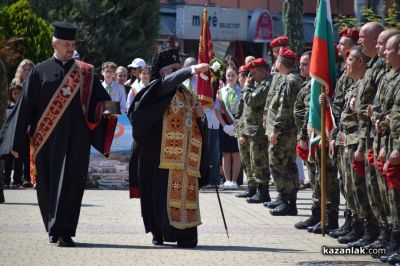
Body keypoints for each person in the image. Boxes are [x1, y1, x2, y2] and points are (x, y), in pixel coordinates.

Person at [0, 22, 117, 247]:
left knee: (72, 185)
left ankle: (65, 230)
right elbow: (24, 108)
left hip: (77, 140)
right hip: (47, 141)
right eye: (66, 44)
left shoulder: (85, 72)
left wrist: (113, 114)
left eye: (73, 44)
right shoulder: (38, 72)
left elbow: (102, 101)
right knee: (47, 185)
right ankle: (52, 227)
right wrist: (14, 142)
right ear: (55, 43)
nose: (70, 48)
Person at [128, 48, 209, 248]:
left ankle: (186, 236)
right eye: (174, 69)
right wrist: (192, 70)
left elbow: (196, 127)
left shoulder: (187, 94)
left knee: (185, 198)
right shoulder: (156, 89)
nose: (178, 71)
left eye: (179, 68)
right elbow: (166, 85)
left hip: (184, 162)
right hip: (160, 157)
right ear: (163, 72)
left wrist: (200, 116)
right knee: (160, 199)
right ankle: (159, 232)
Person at [265, 48, 302, 216]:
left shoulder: (289, 81)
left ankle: (286, 199)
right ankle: (288, 200)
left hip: (284, 132)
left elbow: (285, 108)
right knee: (288, 164)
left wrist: (276, 129)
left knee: (277, 164)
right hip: (289, 131)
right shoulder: (292, 78)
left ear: (280, 63)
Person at [236, 58, 271, 204]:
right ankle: (254, 189)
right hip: (250, 129)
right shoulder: (257, 84)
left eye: (255, 73)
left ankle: (263, 193)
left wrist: (247, 87)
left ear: (264, 71)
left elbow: (252, 101)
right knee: (250, 161)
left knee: (259, 162)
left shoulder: (266, 85)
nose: (252, 77)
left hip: (259, 131)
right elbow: (243, 106)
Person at [215, 66, 241, 190]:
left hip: (238, 123)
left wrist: (236, 124)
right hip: (224, 124)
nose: (230, 78)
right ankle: (227, 180)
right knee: (226, 153)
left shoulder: (242, 91)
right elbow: (217, 111)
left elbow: (245, 110)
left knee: (236, 153)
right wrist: (225, 126)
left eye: (233, 75)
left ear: (237, 76)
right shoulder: (221, 92)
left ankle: (234, 180)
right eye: (228, 75)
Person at [4, 84, 23, 188]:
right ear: (11, 95)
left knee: (19, 159)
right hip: (9, 136)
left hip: (20, 136)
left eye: (19, 93)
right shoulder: (7, 106)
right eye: (14, 93)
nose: (16, 95)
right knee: (8, 159)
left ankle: (17, 181)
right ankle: (6, 180)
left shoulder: (25, 105)